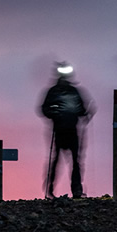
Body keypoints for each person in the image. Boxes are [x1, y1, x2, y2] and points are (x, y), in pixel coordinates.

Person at [40, 63, 94, 199]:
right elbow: (44, 109)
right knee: (58, 160)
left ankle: (75, 190)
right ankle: (50, 190)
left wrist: (85, 113)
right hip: (59, 130)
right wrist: (53, 114)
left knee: (74, 161)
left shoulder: (71, 91)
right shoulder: (54, 92)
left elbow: (81, 108)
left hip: (71, 130)